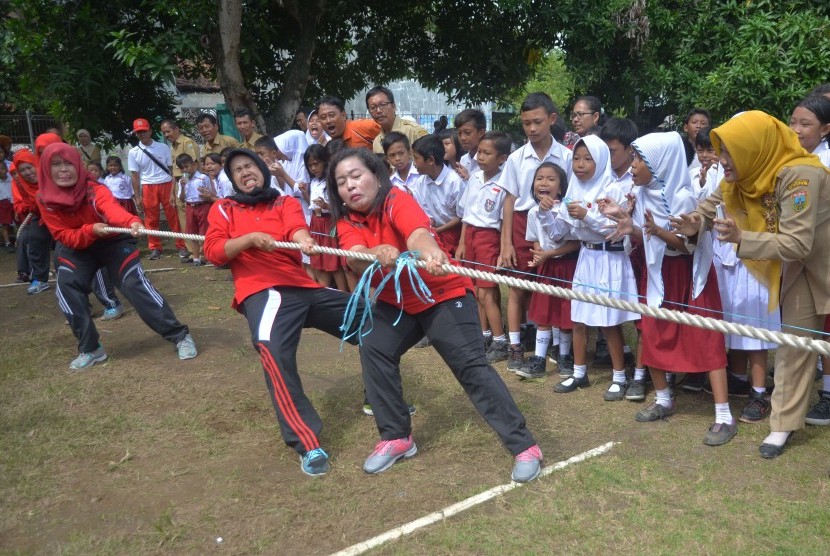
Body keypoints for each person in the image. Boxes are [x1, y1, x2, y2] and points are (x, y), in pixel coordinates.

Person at [327, 147, 544, 482]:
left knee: (469, 365)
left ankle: (524, 446)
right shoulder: (346, 221)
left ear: (375, 175)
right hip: (397, 303)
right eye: (341, 182)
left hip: (443, 295)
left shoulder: (396, 199)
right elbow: (354, 257)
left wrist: (429, 252)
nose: (350, 186)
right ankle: (397, 437)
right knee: (374, 347)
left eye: (356, 176)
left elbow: (418, 233)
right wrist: (374, 253)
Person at [671, 110, 830, 458]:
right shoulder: (741, 176)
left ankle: (789, 418)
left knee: (799, 345)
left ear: (752, 148)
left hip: (812, 267)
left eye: (729, 152)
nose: (722, 161)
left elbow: (800, 244)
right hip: (782, 265)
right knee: (791, 343)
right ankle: (783, 423)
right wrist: (693, 223)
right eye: (721, 152)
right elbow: (709, 207)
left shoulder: (801, 174)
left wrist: (742, 238)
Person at [203, 149, 360, 476]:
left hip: (302, 286)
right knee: (273, 351)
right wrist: (247, 240)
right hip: (262, 291)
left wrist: (303, 240)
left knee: (373, 319)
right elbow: (215, 252)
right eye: (238, 171)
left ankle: (380, 395)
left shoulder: (284, 201)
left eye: (250, 166)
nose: (246, 172)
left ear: (262, 169)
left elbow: (295, 229)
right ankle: (306, 442)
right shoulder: (224, 208)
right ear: (232, 180)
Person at [604, 132, 738, 444]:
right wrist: (632, 229)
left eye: (639, 159)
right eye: (634, 158)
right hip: (658, 274)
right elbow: (649, 238)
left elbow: (687, 246)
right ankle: (664, 398)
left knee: (706, 337)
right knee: (653, 333)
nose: (633, 165)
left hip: (688, 276)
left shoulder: (682, 197)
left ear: (659, 163)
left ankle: (723, 414)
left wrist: (654, 231)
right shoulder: (645, 194)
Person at [36, 143, 197, 369]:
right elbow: (62, 235)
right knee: (67, 288)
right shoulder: (44, 199)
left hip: (113, 241)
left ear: (79, 167)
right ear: (46, 168)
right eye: (56, 164)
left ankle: (180, 335)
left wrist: (131, 221)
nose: (63, 169)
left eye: (68, 164)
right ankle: (91, 349)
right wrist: (90, 230)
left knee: (133, 283)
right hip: (76, 247)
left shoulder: (95, 190)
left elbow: (111, 210)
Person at [547, 136, 639, 398]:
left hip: (610, 259)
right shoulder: (573, 190)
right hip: (586, 258)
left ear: (600, 160)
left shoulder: (614, 189)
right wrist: (546, 213)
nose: (580, 164)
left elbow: (615, 230)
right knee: (579, 318)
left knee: (609, 321)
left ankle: (619, 377)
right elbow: (559, 233)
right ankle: (578, 373)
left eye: (588, 159)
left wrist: (586, 216)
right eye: (576, 158)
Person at [500, 92, 573, 370]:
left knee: (555, 285)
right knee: (518, 286)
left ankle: (557, 347)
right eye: (526, 123)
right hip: (522, 225)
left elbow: (571, 195)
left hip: (558, 226)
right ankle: (515, 346)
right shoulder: (517, 158)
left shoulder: (566, 156)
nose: (531, 129)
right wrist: (506, 243)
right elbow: (509, 200)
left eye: (537, 122)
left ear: (552, 120)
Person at [788, 95, 830, 425]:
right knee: (803, 338)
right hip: (799, 263)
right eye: (793, 122)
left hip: (822, 262)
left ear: (825, 129)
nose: (796, 130)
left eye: (806, 124)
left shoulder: (824, 165)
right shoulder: (788, 161)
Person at [519, 162, 579, 379]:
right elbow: (535, 241)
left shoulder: (568, 209)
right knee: (544, 314)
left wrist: (548, 255)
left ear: (561, 188)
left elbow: (575, 243)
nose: (544, 183)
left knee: (565, 313)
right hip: (546, 268)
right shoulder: (533, 212)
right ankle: (539, 359)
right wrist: (538, 255)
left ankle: (564, 356)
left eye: (551, 179)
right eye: (539, 178)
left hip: (566, 266)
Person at [456, 130, 511, 360]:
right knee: (477, 291)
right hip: (471, 236)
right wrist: (461, 243)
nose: (480, 157)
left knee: (488, 291)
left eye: (487, 153)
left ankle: (500, 341)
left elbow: (502, 220)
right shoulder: (475, 178)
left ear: (501, 158)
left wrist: (501, 248)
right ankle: (484, 334)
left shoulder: (504, 184)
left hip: (489, 238)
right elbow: (467, 214)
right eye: (479, 152)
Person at [127, 118, 186, 260]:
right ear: (136, 134)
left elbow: (172, 171)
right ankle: (155, 247)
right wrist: (137, 196)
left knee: (173, 217)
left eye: (145, 131)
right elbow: (135, 176)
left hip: (166, 184)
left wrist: (172, 191)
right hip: (148, 187)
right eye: (139, 132)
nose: (142, 134)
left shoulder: (163, 147)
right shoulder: (133, 152)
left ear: (150, 131)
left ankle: (181, 245)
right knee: (151, 219)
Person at [410, 135, 463, 254]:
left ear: (430, 160)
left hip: (455, 235)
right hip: (434, 233)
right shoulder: (420, 182)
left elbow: (461, 217)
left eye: (416, 158)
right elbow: (427, 214)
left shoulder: (455, 181)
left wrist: (438, 230)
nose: (413, 163)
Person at [160, 119, 202, 262]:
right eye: (164, 133)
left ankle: (200, 252)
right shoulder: (173, 146)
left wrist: (188, 186)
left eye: (168, 131)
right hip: (180, 185)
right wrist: (172, 192)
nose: (166, 135)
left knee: (195, 219)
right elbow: (175, 172)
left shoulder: (187, 143)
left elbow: (193, 166)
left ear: (176, 129)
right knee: (184, 221)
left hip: (190, 184)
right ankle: (191, 252)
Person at [11, 149, 51, 294]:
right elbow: (27, 204)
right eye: (22, 170)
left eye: (29, 167)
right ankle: (39, 279)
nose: (27, 172)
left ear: (36, 164)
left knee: (65, 247)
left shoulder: (50, 176)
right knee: (34, 240)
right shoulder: (21, 185)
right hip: (39, 214)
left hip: (59, 213)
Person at [175, 153, 214, 266]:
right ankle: (196, 257)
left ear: (194, 165)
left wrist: (206, 196)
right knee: (192, 233)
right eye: (182, 168)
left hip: (203, 206)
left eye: (186, 166)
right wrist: (182, 187)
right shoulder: (182, 181)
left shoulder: (203, 177)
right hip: (190, 207)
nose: (185, 170)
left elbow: (210, 192)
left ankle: (206, 257)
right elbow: (182, 199)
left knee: (205, 233)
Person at [366, 86, 428, 155]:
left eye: (382, 104)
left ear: (394, 106)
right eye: (373, 107)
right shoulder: (377, 142)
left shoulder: (413, 131)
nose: (378, 111)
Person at [453, 109, 486, 180]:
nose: (462, 138)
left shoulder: (490, 161)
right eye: (459, 133)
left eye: (467, 133)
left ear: (481, 133)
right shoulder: (463, 160)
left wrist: (469, 179)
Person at [0, 161, 14, 251]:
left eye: (2, 168)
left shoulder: (11, 179)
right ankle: (7, 243)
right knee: (5, 224)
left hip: (13, 202)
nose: (0, 171)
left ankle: (22, 241)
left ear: (6, 169)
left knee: (19, 222)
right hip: (2, 203)